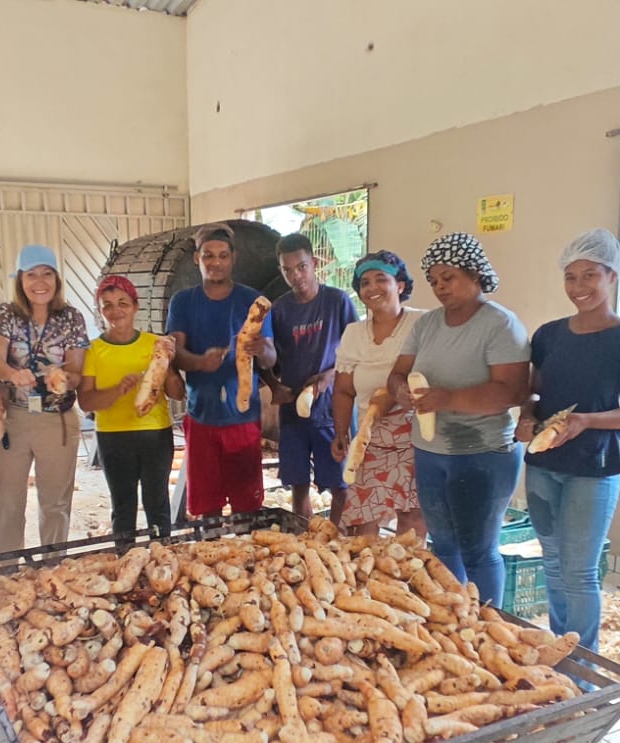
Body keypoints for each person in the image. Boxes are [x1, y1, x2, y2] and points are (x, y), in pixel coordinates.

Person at [517, 228, 620, 651]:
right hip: (542, 466)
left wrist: (586, 421)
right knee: (553, 563)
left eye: (590, 275)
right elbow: (534, 393)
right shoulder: (548, 335)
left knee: (578, 571)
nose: (579, 287)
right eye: (571, 277)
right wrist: (527, 417)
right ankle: (561, 654)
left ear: (612, 276)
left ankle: (584, 666)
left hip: (593, 469)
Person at [388, 233, 528, 607]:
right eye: (433, 280)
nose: (439, 287)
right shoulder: (427, 324)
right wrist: (401, 391)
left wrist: (448, 399)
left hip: (482, 453)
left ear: (475, 273)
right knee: (444, 545)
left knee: (478, 548)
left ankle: (487, 624)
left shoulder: (500, 324)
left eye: (448, 277)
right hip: (430, 450)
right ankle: (452, 619)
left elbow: (511, 391)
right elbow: (398, 373)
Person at [166, 224, 278, 518]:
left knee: (247, 507)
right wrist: (200, 362)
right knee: (208, 509)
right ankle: (212, 547)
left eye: (223, 255)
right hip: (202, 416)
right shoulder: (183, 302)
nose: (215, 262)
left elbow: (270, 359)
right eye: (208, 255)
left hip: (243, 418)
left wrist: (261, 349)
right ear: (197, 259)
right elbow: (176, 353)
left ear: (233, 258)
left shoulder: (252, 301)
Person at [0, 245, 90, 552]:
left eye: (47, 274)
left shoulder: (71, 317)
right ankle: (7, 569)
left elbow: (77, 373)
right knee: (7, 503)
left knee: (55, 504)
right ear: (20, 279)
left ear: (57, 279)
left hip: (56, 420)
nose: (40, 282)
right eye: (31, 275)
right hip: (13, 418)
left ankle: (52, 567)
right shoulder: (8, 313)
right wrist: (11, 373)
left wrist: (62, 379)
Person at [78, 275, 185, 542]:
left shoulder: (155, 344)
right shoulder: (94, 351)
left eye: (123, 303)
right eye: (107, 305)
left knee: (157, 502)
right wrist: (118, 390)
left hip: (155, 434)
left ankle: (162, 558)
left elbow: (177, 393)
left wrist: (169, 365)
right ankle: (125, 558)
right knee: (123, 506)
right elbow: (86, 402)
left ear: (135, 306)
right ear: (100, 311)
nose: (116, 311)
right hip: (113, 437)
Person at [330, 250, 427, 540]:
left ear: (400, 284)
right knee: (364, 518)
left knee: (412, 515)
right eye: (364, 283)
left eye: (381, 279)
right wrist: (340, 432)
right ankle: (368, 567)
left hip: (416, 437)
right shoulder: (354, 333)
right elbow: (344, 390)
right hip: (370, 439)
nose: (372, 288)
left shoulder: (421, 324)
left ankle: (407, 568)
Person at [269, 233, 359, 524]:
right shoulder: (279, 309)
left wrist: (329, 376)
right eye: (287, 270)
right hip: (293, 410)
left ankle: (336, 540)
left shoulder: (337, 301)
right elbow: (270, 358)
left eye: (302, 267)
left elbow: (356, 353)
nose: (295, 276)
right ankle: (303, 537)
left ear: (315, 263)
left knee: (339, 483)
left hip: (332, 410)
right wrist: (274, 385)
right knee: (298, 483)